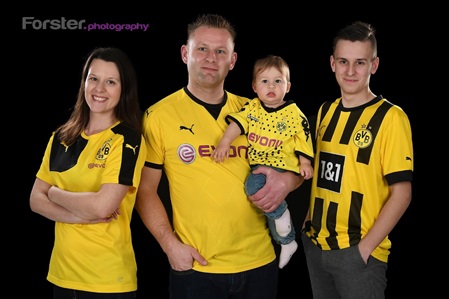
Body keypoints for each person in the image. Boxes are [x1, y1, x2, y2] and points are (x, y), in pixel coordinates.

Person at [136, 14, 304, 298]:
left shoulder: (257, 111)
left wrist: (288, 182)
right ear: (185, 53)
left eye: (220, 51)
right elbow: (144, 190)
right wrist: (170, 246)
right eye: (202, 48)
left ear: (233, 60)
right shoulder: (158, 116)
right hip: (196, 270)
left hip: (260, 263)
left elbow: (298, 163)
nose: (211, 58)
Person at [301, 21, 414, 299]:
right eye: (343, 61)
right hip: (316, 248)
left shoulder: (391, 117)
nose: (350, 71)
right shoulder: (325, 111)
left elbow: (402, 193)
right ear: (332, 63)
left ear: (374, 65)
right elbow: (319, 175)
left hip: (358, 254)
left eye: (360, 62)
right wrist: (306, 227)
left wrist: (363, 250)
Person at [29, 47, 147, 299]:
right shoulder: (60, 137)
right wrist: (80, 217)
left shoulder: (127, 140)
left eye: (111, 82)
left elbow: (101, 207)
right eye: (93, 78)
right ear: (84, 82)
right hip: (62, 275)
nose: (99, 89)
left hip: (107, 281)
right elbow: (35, 201)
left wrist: (53, 192)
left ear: (123, 89)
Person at [211, 54, 314, 269]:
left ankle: (286, 234)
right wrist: (224, 143)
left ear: (288, 86)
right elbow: (237, 125)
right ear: (254, 86)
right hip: (258, 163)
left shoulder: (293, 113)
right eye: (265, 81)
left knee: (255, 187)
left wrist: (305, 163)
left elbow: (303, 138)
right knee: (263, 198)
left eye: (278, 81)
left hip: (282, 164)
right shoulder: (252, 108)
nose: (271, 86)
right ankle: (285, 240)